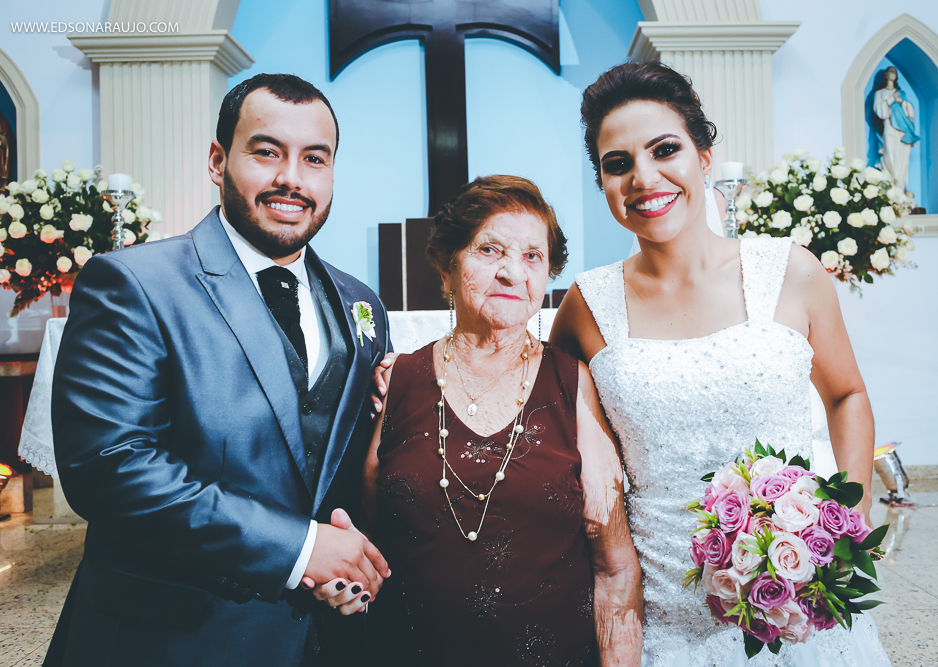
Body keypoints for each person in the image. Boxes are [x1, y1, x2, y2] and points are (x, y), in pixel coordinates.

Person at [549, 62, 892, 666]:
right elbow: (542, 410)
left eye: (665, 150)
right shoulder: (588, 303)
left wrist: (848, 511)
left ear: (705, 156)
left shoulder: (791, 271)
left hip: (790, 600)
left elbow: (846, 395)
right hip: (661, 612)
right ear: (602, 181)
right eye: (618, 163)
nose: (644, 177)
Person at [46, 73, 391, 666]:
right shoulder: (135, 284)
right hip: (175, 637)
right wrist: (301, 549)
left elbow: (335, 465)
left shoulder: (362, 304)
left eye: (315, 158)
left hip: (322, 637)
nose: (291, 178)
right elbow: (110, 467)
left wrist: (344, 551)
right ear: (217, 160)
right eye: (266, 151)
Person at [329, 175, 643, 665]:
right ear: (448, 268)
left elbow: (615, 570)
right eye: (490, 250)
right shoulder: (399, 379)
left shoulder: (571, 383)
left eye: (532, 257)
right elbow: (369, 530)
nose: (513, 272)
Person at [871, 66, 918, 194]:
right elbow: (880, 111)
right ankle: (892, 189)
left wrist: (901, 101)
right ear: (885, 75)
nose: (893, 73)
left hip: (902, 131)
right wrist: (892, 99)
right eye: (890, 71)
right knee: (889, 154)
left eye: (894, 72)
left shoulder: (901, 93)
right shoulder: (879, 93)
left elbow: (909, 112)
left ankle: (901, 190)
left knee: (902, 159)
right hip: (889, 127)